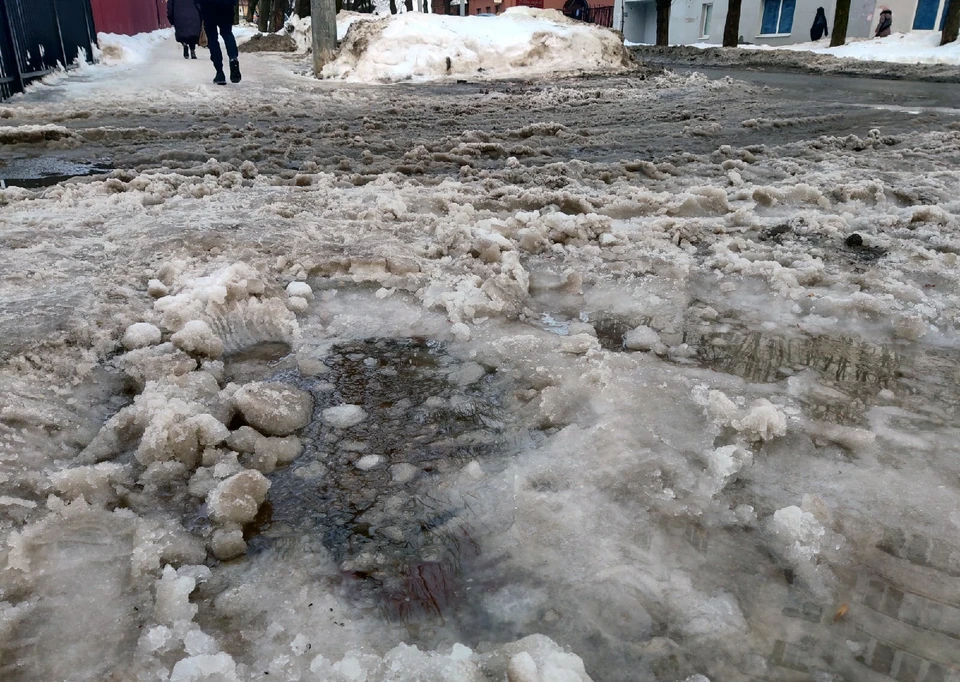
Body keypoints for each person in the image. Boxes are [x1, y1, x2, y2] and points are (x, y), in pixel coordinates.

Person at [197, 0, 241, 85]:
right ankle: (233, 59)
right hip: (226, 6)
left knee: (212, 38)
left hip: (208, 6)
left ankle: (220, 73)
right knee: (227, 33)